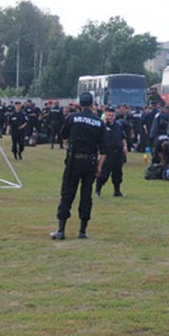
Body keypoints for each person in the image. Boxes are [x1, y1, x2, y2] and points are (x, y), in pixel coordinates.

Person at [50, 92, 108, 240]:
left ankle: (61, 230)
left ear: (80, 104)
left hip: (74, 161)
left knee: (67, 194)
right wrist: (99, 167)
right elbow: (104, 149)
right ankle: (82, 231)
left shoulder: (73, 117)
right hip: (90, 162)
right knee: (86, 195)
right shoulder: (99, 122)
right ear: (92, 104)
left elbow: (63, 135)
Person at [95, 106, 127, 198]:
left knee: (118, 173)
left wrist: (125, 146)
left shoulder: (119, 125)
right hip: (108, 153)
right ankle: (98, 190)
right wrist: (104, 124)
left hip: (118, 152)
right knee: (104, 173)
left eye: (112, 115)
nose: (110, 117)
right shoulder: (102, 125)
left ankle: (117, 191)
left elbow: (123, 137)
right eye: (108, 115)